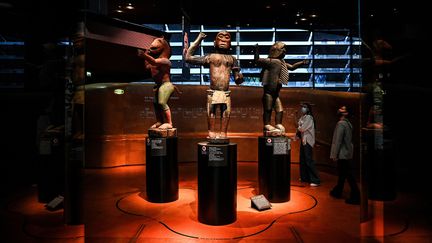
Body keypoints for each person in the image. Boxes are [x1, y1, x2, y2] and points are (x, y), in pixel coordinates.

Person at [184, 31, 244, 139]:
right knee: (211, 112)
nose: (224, 39)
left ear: (230, 43)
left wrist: (239, 76)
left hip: (225, 92)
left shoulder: (232, 59)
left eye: (227, 37)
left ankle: (223, 132)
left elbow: (237, 80)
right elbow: (188, 57)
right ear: (214, 42)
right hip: (213, 91)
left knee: (225, 112)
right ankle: (211, 131)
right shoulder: (211, 57)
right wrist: (199, 39)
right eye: (220, 37)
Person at [254, 42, 308, 134]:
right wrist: (256, 50)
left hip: (276, 93)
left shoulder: (282, 63)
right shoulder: (270, 61)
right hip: (268, 93)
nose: (284, 51)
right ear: (276, 51)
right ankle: (267, 124)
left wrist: (302, 63)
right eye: (282, 49)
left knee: (280, 110)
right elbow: (257, 60)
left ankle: (278, 124)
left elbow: (292, 67)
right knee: (268, 109)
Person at [137, 37, 175, 130]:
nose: (151, 50)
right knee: (156, 103)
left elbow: (153, 61)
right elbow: (147, 66)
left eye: (154, 49)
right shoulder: (157, 61)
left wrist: (145, 55)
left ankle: (169, 123)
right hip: (159, 86)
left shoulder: (165, 60)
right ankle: (160, 121)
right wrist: (146, 54)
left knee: (162, 102)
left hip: (166, 85)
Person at [329, 106, 360, 204]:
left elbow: (338, 141)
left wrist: (334, 154)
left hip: (342, 153)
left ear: (346, 113)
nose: (340, 109)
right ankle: (337, 191)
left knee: (348, 174)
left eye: (343, 109)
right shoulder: (348, 124)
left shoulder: (341, 124)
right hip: (347, 152)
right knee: (343, 174)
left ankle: (356, 195)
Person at [296, 103, 320, 186]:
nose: (303, 108)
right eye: (302, 107)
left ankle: (315, 180)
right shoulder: (303, 117)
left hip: (308, 141)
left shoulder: (309, 118)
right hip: (303, 141)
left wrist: (299, 126)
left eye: (304, 107)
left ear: (308, 109)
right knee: (303, 159)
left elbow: (302, 128)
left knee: (309, 160)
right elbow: (299, 127)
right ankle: (304, 177)